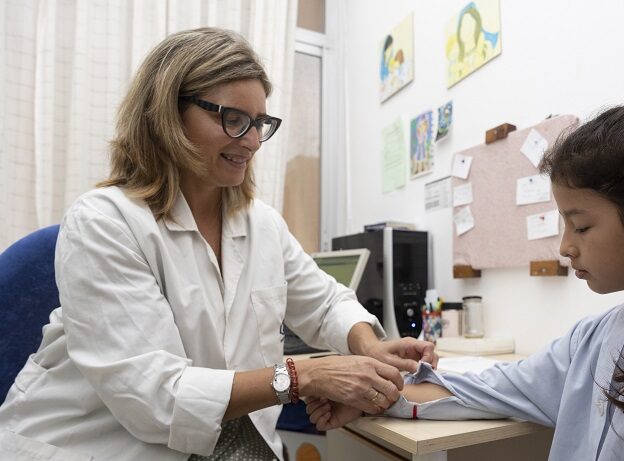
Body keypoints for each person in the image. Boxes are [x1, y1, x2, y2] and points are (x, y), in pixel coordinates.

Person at [0, 27, 437, 461]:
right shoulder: (104, 222)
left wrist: (368, 346)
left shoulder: (260, 224)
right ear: (168, 114)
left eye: (260, 123)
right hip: (93, 446)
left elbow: (325, 304)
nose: (250, 140)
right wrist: (304, 375)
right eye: (232, 119)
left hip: (229, 447)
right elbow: (155, 395)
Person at [306, 103, 624, 460]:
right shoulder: (593, 340)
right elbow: (494, 387)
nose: (565, 247)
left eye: (581, 226)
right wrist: (375, 394)